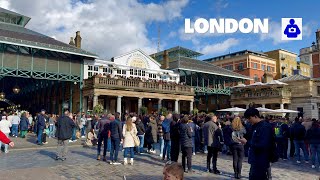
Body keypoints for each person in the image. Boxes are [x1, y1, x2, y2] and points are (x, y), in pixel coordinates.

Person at [243, 108, 274, 180]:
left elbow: (263, 145)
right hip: (255, 159)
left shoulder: (265, 127)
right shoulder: (254, 126)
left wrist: (247, 142)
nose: (248, 120)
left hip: (261, 160)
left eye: (249, 118)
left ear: (255, 116)